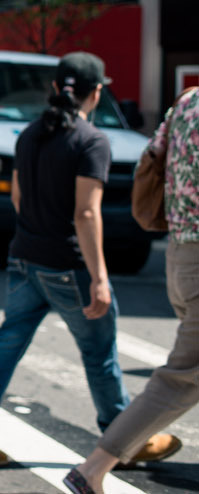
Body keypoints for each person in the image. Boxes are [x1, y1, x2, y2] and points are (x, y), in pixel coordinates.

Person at [0, 53, 173, 465]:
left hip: (24, 259)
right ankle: (123, 437)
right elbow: (86, 213)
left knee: (7, 345)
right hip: (68, 267)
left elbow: (17, 199)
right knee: (100, 354)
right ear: (98, 93)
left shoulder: (29, 134)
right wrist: (100, 277)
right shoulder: (91, 141)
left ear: (55, 89)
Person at [63, 87, 197, 493]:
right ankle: (92, 469)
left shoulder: (188, 102)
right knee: (181, 378)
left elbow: (155, 157)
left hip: (180, 253)